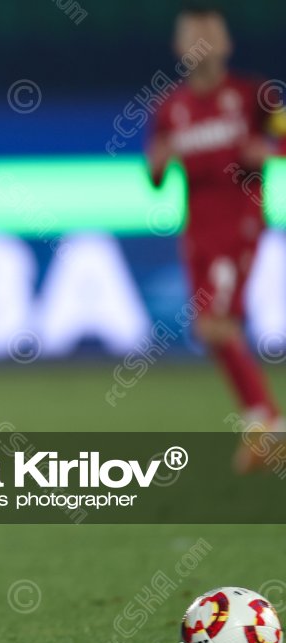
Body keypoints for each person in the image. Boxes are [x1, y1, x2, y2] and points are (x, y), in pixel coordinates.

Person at [146, 5, 284, 471]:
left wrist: (268, 152)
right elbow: (155, 174)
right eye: (192, 34)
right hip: (198, 233)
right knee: (210, 330)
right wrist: (158, 163)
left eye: (209, 32)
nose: (201, 42)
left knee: (216, 326)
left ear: (226, 43)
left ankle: (268, 425)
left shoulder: (254, 95)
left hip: (238, 226)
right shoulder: (170, 108)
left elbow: (282, 139)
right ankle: (264, 425)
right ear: (177, 47)